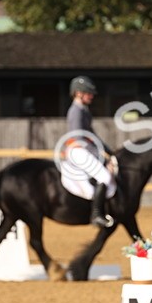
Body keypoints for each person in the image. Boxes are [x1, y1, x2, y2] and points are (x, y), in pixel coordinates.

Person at [64, 75, 114, 228]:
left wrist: (109, 152)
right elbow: (80, 137)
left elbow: (92, 136)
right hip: (78, 150)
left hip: (83, 149)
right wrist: (101, 157)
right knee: (105, 177)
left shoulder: (84, 110)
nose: (91, 96)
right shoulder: (76, 111)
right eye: (88, 93)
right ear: (78, 93)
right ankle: (97, 214)